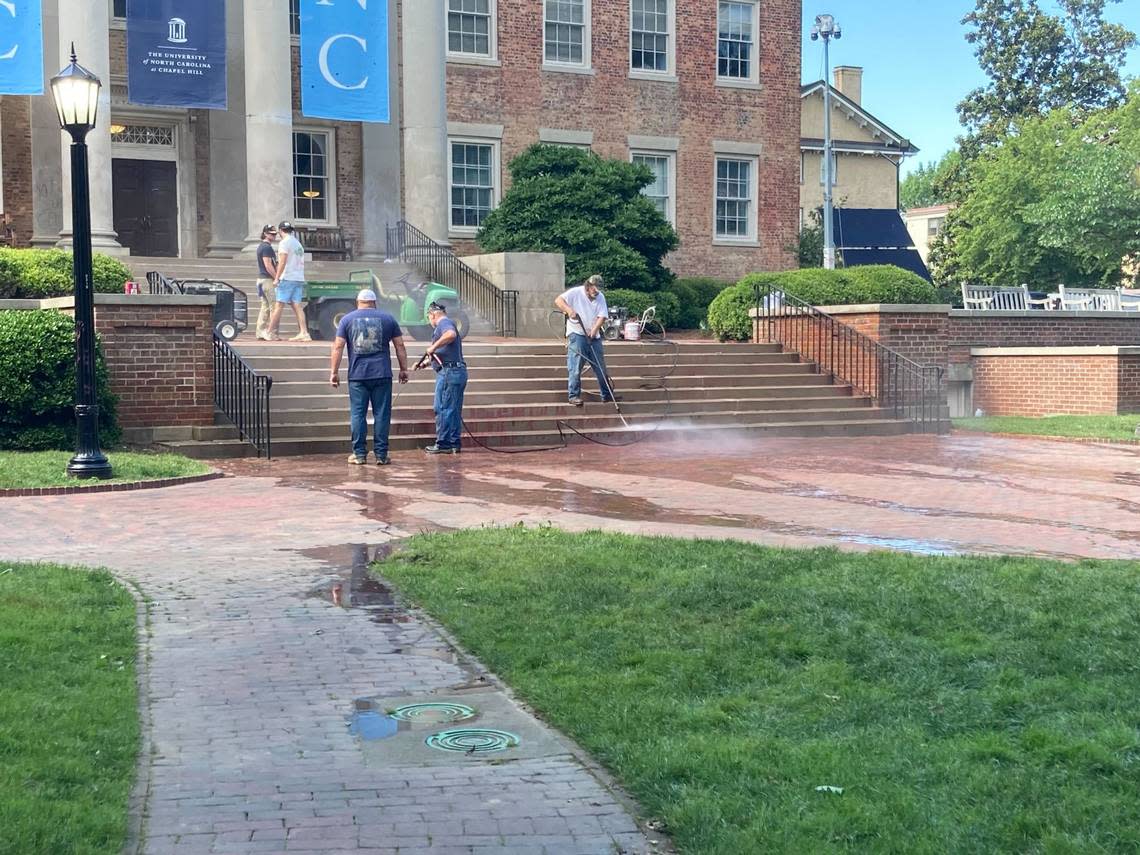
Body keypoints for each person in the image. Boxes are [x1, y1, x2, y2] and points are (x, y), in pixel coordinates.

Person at [329, 288, 409, 465]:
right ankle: (381, 455)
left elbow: (338, 347)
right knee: (382, 414)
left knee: (358, 414)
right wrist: (404, 369)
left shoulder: (346, 320)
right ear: (375, 302)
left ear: (358, 302)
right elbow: (400, 346)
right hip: (382, 374)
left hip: (357, 376)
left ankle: (359, 454)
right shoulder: (388, 319)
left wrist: (334, 372)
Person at [554, 274, 619, 406]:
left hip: (593, 336)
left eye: (598, 289)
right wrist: (569, 310)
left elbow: (602, 316)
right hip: (577, 333)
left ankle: (606, 395)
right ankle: (573, 395)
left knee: (600, 367)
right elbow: (558, 300)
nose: (596, 291)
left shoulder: (600, 297)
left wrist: (594, 331)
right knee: (576, 366)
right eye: (594, 288)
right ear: (588, 286)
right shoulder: (575, 292)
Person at [417, 301, 467, 454]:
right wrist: (426, 362)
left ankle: (444, 443)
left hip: (449, 373)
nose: (429, 322)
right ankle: (454, 443)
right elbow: (446, 350)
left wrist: (433, 347)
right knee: (453, 409)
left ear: (432, 314)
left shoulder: (444, 323)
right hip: (456, 371)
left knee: (443, 408)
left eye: (429, 318)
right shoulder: (446, 323)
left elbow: (450, 335)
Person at [268, 220, 311, 342]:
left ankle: (269, 331)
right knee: (297, 305)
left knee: (279, 305)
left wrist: (276, 277)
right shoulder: (297, 243)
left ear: (281, 231)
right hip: (298, 277)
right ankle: (304, 332)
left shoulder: (284, 243)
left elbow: (282, 261)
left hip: (287, 277)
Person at [254, 224, 278, 340]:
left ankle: (260, 331)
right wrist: (276, 277)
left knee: (265, 307)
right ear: (265, 234)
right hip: (267, 280)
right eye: (270, 234)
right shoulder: (266, 247)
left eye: (274, 234)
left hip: (261, 280)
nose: (273, 236)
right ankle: (271, 332)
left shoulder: (261, 247)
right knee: (274, 307)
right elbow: (268, 265)